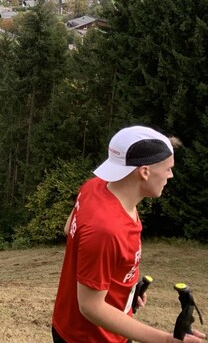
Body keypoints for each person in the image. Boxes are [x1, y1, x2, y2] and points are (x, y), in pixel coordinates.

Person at [52, 126, 206, 343]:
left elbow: (71, 229)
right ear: (144, 172)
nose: (171, 175)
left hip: (78, 326)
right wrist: (166, 340)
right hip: (91, 337)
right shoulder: (107, 229)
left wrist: (126, 290)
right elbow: (90, 307)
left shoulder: (95, 187)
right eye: (168, 168)